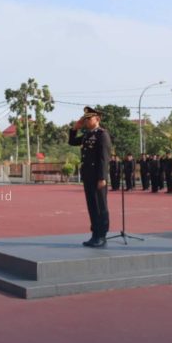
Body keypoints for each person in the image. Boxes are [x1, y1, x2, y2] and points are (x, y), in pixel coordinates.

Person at [68, 106, 111, 248]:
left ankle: (102, 235)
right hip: (88, 175)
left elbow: (104, 158)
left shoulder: (102, 134)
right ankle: (95, 234)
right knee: (92, 205)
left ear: (97, 119)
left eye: (89, 118)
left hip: (98, 177)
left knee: (100, 206)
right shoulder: (87, 135)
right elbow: (72, 142)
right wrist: (75, 127)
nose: (86, 121)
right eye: (85, 119)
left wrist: (102, 178)